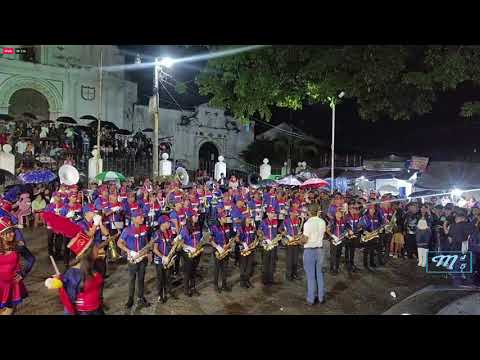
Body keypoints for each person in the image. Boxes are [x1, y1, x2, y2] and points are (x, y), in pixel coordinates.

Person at [55, 235, 105, 315]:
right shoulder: (72, 274)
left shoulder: (97, 264)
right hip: (84, 312)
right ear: (89, 252)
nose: (98, 249)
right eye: (96, 247)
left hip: (97, 309)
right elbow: (69, 303)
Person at [117, 208, 152, 309]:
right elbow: (119, 243)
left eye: (142, 217)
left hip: (142, 258)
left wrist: (147, 252)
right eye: (140, 217)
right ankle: (130, 299)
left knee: (141, 279)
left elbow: (146, 242)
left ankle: (141, 298)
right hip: (132, 258)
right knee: (132, 279)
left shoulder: (145, 228)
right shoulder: (127, 230)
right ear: (134, 219)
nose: (143, 218)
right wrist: (128, 251)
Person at [0, 217, 29, 315]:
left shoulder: (18, 246)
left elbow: (31, 260)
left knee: (10, 311)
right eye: (9, 232)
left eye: (13, 231)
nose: (13, 234)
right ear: (1, 235)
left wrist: (22, 273)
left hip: (12, 285)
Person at [302, 203, 326, 306]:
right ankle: (321, 297)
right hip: (320, 250)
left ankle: (311, 299)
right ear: (317, 211)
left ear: (309, 212)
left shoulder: (307, 223)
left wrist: (300, 239)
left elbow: (305, 239)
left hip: (310, 251)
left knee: (311, 276)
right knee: (319, 274)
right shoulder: (322, 222)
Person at [152, 215, 178, 303]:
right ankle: (160, 295)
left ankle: (168, 291)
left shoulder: (169, 232)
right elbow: (154, 249)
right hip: (160, 260)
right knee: (160, 278)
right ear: (162, 223)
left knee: (168, 276)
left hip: (169, 258)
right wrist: (163, 257)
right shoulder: (157, 233)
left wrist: (175, 243)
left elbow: (170, 243)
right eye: (168, 222)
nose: (169, 223)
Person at [180, 210, 203, 297]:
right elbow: (180, 242)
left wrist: (200, 244)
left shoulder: (197, 227)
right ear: (190, 218)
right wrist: (189, 248)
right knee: (187, 272)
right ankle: (186, 289)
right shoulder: (185, 229)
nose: (197, 217)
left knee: (194, 271)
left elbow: (199, 238)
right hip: (188, 253)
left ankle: (193, 288)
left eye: (197, 216)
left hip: (197, 252)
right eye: (195, 216)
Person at [209, 211, 233, 293]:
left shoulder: (227, 226)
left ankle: (224, 285)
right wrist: (218, 247)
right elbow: (210, 240)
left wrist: (229, 243)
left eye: (226, 217)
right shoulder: (214, 227)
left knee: (225, 268)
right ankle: (215, 285)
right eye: (223, 218)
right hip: (218, 250)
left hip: (226, 249)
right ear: (219, 219)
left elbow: (229, 237)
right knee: (217, 268)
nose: (225, 219)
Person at [259, 206, 280, 286]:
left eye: (273, 213)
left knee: (272, 262)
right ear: (267, 213)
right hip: (266, 245)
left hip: (273, 244)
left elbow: (276, 231)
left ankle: (271, 279)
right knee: (265, 262)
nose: (273, 214)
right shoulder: (263, 222)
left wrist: (277, 238)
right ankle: (265, 279)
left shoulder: (275, 221)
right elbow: (259, 232)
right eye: (271, 213)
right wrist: (265, 238)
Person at [282, 208, 303, 280]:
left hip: (296, 242)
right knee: (289, 259)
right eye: (294, 212)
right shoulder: (286, 221)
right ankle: (289, 275)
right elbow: (281, 230)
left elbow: (299, 229)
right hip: (289, 242)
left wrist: (299, 234)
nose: (296, 214)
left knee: (295, 259)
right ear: (290, 213)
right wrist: (288, 236)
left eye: (296, 212)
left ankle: (295, 273)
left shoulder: (298, 220)